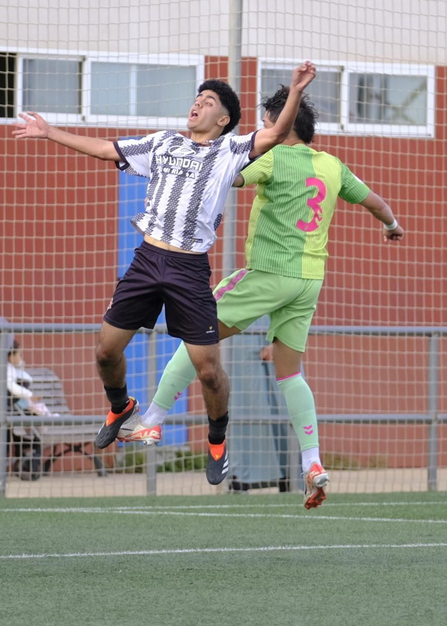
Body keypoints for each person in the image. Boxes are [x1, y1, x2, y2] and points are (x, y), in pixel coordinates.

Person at [13, 64, 315, 485]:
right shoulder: (162, 144)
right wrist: (51, 132)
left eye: (208, 102)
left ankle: (216, 439)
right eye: (197, 97)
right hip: (147, 260)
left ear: (223, 119)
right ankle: (121, 407)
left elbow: (278, 133)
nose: (197, 104)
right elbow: (105, 149)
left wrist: (296, 91)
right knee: (105, 352)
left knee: (208, 370)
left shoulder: (230, 151)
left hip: (189, 270)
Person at [116, 85, 404, 509]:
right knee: (290, 374)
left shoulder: (270, 155)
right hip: (309, 282)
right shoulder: (332, 165)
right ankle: (313, 462)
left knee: (199, 335)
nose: (260, 131)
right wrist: (392, 226)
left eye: (266, 124)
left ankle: (153, 420)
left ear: (279, 126)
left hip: (269, 273)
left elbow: (224, 173)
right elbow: (377, 203)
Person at [7, 340, 50, 416]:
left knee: (33, 406)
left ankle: (40, 414)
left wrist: (20, 364)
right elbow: (11, 386)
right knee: (33, 407)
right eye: (19, 354)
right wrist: (29, 395)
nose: (20, 358)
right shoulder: (8, 369)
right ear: (11, 356)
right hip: (14, 400)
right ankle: (41, 416)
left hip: (17, 400)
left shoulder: (11, 368)